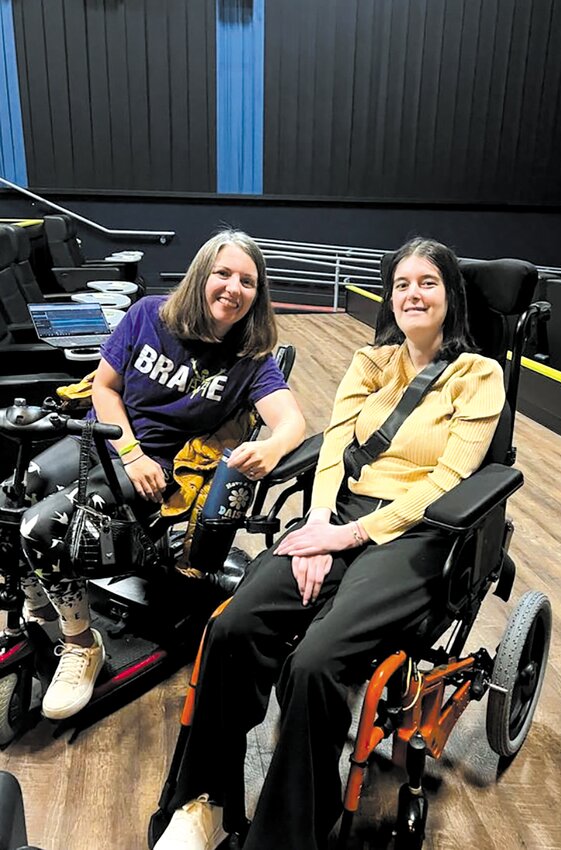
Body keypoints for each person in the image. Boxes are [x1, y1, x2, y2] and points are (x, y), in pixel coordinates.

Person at [153, 237, 506, 850]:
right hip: (337, 516)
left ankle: (286, 838)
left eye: (428, 282)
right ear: (389, 296)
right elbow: (335, 450)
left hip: (418, 534)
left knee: (315, 664)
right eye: (401, 283)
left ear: (451, 295)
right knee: (232, 628)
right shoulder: (370, 364)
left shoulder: (479, 374)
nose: (412, 294)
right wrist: (316, 528)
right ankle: (205, 800)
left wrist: (352, 533)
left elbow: (451, 480)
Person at [14, 229, 305, 722]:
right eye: (223, 273)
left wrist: (272, 445)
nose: (234, 288)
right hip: (112, 440)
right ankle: (44, 602)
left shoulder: (250, 360)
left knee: (42, 526)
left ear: (258, 295)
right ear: (201, 275)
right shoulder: (149, 314)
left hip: (165, 470)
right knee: (20, 489)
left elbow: (292, 422)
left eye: (248, 281)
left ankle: (83, 644)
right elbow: (105, 388)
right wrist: (129, 451)